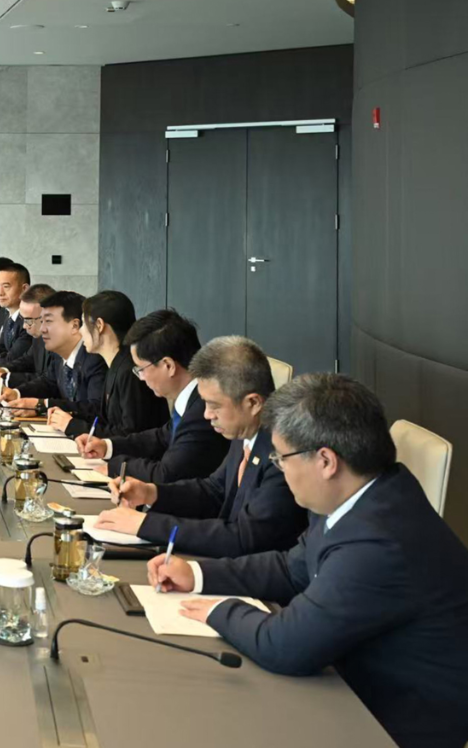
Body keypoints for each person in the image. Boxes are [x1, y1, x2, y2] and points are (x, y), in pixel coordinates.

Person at [149, 374, 468, 748]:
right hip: (346, 681)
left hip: (390, 721)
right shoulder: (363, 493)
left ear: (326, 461)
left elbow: (285, 646)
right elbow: (291, 567)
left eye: (281, 458)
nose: (279, 469)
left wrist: (217, 610)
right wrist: (197, 573)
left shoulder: (377, 540)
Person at [93, 336, 306, 558]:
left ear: (252, 403)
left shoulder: (284, 454)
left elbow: (245, 538)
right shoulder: (244, 431)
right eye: (205, 403)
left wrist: (146, 524)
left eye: (214, 405)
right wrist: (150, 492)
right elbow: (214, 491)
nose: (206, 414)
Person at [75, 309, 230, 483]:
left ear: (168, 365)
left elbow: (165, 474)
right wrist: (107, 446)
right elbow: (161, 437)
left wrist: (117, 467)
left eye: (141, 369)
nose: (140, 378)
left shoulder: (203, 411)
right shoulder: (191, 399)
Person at [50, 291, 167, 438]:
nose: (80, 331)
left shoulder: (131, 371)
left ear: (99, 325)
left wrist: (73, 425)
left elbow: (130, 434)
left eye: (84, 323)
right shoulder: (115, 363)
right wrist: (68, 416)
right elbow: (105, 419)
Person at [0, 290, 106, 418]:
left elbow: (95, 407)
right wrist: (17, 393)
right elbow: (49, 382)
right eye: (42, 321)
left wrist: (43, 404)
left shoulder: (94, 359)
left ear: (74, 326)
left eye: (48, 321)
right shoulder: (59, 354)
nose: (42, 329)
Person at [0, 284, 57, 385]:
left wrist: (6, 379)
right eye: (23, 319)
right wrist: (3, 369)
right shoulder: (38, 336)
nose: (24, 326)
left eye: (28, 320)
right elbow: (28, 359)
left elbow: (49, 381)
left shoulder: (62, 342)